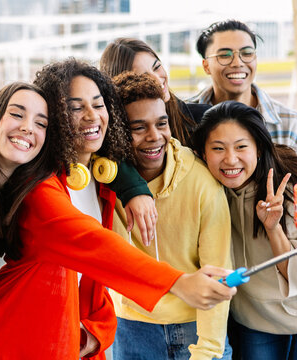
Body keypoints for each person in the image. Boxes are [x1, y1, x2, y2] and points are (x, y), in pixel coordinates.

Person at [0, 59, 237, 360]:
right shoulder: (41, 190)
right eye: (76, 107)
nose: (91, 116)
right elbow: (96, 247)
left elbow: (93, 284)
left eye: (98, 104)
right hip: (4, 343)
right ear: (57, 118)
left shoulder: (100, 182)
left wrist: (96, 332)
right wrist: (178, 282)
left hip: (57, 344)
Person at [190, 101, 297, 360]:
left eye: (241, 147)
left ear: (259, 149)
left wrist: (273, 228)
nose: (230, 159)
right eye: (218, 148)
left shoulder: (287, 186)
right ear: (203, 153)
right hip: (256, 320)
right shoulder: (209, 191)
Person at [111, 72, 232, 360]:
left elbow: (218, 272)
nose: (155, 136)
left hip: (194, 325)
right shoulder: (103, 183)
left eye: (161, 123)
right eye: (138, 127)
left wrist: (208, 350)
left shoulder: (201, 182)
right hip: (130, 326)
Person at [189, 19, 297, 177]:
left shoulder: (292, 124)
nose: (237, 63)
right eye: (224, 55)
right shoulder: (182, 118)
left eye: (247, 53)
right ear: (206, 66)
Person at [100, 37, 211, 146]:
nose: (157, 79)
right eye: (143, 76)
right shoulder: (111, 141)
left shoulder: (203, 119)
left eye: (157, 67)